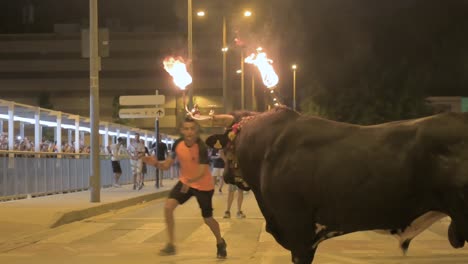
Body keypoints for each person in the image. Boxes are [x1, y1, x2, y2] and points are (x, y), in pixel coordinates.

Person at [143, 117, 227, 259]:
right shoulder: (177, 144)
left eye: (192, 129)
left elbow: (201, 171)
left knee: (207, 219)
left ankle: (220, 242)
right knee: (168, 207)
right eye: (186, 129)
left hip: (203, 185)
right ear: (182, 130)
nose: (189, 132)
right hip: (186, 182)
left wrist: (190, 181)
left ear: (196, 131)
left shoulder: (201, 147)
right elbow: (167, 165)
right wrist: (155, 163)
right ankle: (171, 244)